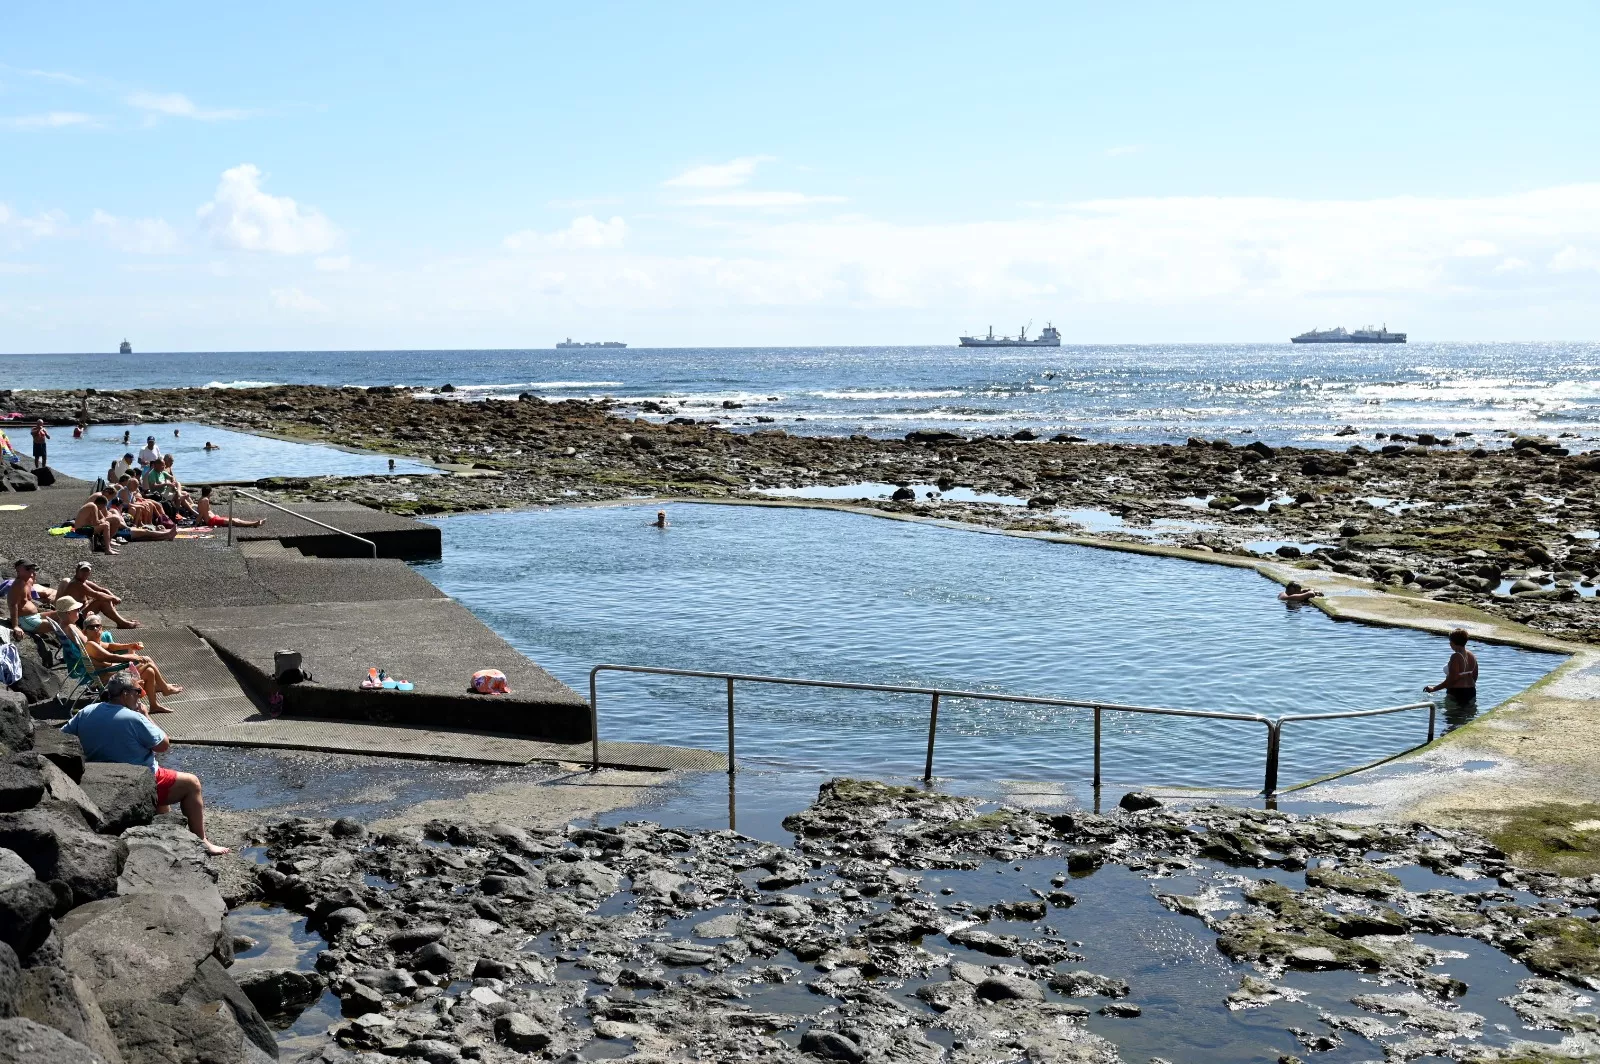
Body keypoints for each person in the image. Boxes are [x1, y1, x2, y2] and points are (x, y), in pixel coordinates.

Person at [61, 673, 228, 855]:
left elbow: (62, 736)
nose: (141, 695)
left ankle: (165, 827)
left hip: (98, 776)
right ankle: (201, 840)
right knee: (191, 783)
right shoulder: (134, 718)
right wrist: (147, 716)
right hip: (138, 780)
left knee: (163, 800)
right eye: (138, 691)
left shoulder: (86, 712)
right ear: (125, 694)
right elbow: (163, 745)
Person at [73, 611, 183, 712]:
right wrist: (132, 657)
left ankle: (154, 705)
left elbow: (111, 646)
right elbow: (111, 657)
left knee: (149, 671)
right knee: (148, 661)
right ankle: (165, 688)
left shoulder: (96, 642)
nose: (96, 629)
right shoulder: (91, 644)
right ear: (85, 631)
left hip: (112, 674)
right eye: (92, 627)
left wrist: (130, 645)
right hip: (109, 681)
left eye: (98, 626)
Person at [59, 562, 140, 629]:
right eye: (82, 571)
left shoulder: (84, 582)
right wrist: (113, 598)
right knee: (102, 600)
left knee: (105, 598)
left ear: (89, 573)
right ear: (77, 571)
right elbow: (96, 594)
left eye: (87, 571)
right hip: (75, 617)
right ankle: (122, 623)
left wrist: (112, 596)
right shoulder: (76, 584)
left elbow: (102, 590)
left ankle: (122, 621)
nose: (84, 573)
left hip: (81, 612)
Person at [1426, 628, 1480, 728]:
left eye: (1450, 642)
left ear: (1454, 643)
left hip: (1456, 693)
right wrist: (1469, 686)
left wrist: (1433, 689)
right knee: (1467, 720)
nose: (1449, 644)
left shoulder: (1455, 656)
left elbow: (1452, 680)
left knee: (1452, 722)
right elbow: (1475, 675)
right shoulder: (1472, 655)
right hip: (1471, 691)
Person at [6, 560, 53, 638]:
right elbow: (13, 604)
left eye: (31, 568)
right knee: (58, 625)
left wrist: (33, 574)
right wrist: (15, 626)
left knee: (62, 615)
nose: (31, 570)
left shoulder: (28, 581)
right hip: (25, 619)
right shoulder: (18, 584)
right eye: (28, 568)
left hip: (34, 615)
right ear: (18, 571)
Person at [195, 486, 263, 527]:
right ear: (209, 492)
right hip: (212, 521)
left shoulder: (201, 499)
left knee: (235, 519)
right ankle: (254, 523)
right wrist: (196, 524)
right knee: (233, 521)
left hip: (214, 518)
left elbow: (202, 512)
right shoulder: (205, 500)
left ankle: (254, 523)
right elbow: (202, 513)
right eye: (211, 491)